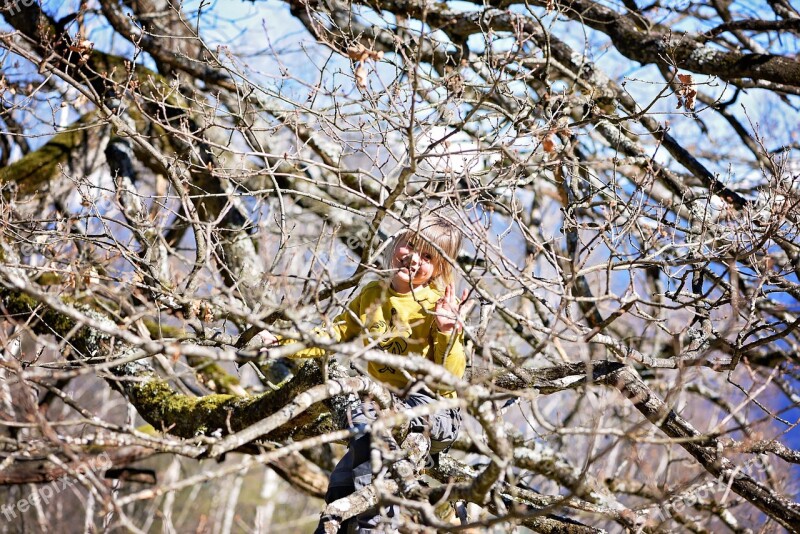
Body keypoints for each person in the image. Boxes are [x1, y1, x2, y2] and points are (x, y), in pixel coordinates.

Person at [259, 215, 467, 532]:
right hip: (383, 409)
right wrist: (283, 343)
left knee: (375, 431)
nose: (413, 258)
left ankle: (378, 526)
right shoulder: (373, 294)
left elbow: (449, 379)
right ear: (396, 243)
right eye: (410, 246)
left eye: (428, 257)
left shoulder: (436, 306)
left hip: (435, 410)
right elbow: (333, 333)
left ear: (439, 269)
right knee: (343, 480)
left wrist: (447, 333)